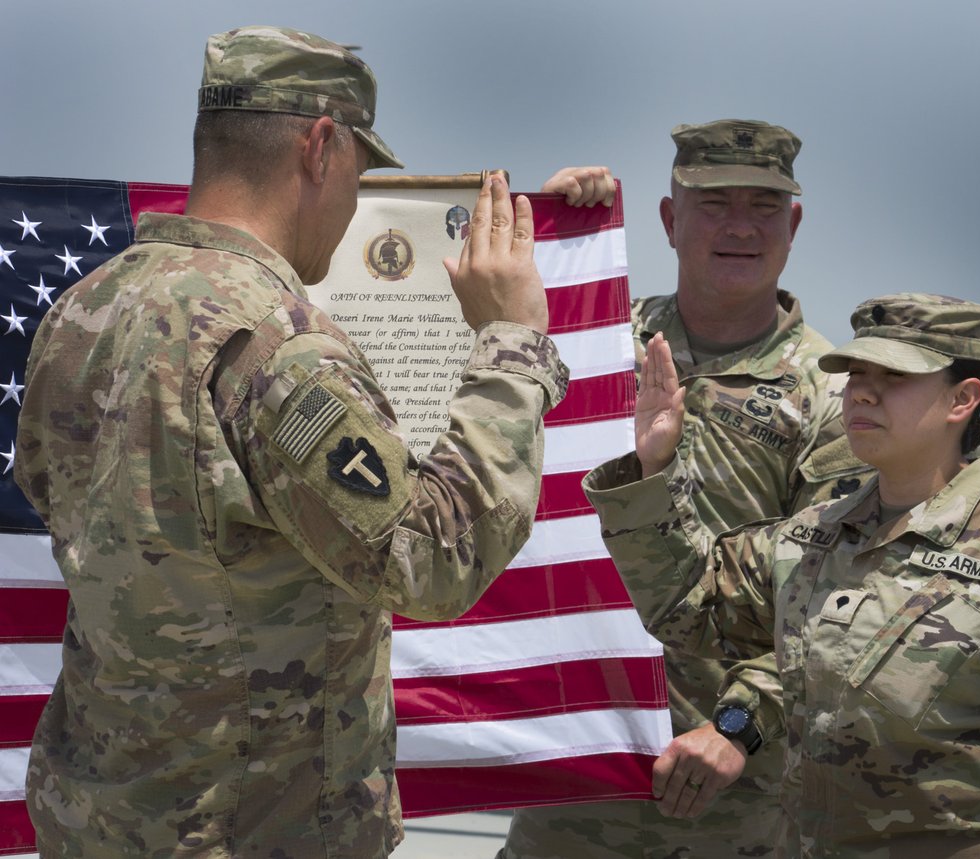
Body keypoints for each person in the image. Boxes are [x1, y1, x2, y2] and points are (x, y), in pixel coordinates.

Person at [14, 25, 568, 857]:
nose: (352, 204)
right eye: (358, 169)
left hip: (99, 820)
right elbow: (432, 558)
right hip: (249, 832)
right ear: (320, 146)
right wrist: (512, 346)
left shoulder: (81, 311)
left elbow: (45, 488)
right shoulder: (276, 344)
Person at [585, 293, 980, 857]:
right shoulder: (812, 537)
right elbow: (689, 604)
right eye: (856, 372)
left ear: (963, 399)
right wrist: (655, 468)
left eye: (894, 375)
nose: (862, 391)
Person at [501, 121, 866, 858]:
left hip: (731, 801)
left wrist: (739, 723)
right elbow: (489, 351)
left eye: (764, 205)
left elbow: (838, 594)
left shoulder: (830, 398)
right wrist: (549, 227)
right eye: (713, 203)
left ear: (793, 225)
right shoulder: (601, 344)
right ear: (669, 220)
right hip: (574, 785)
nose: (739, 226)